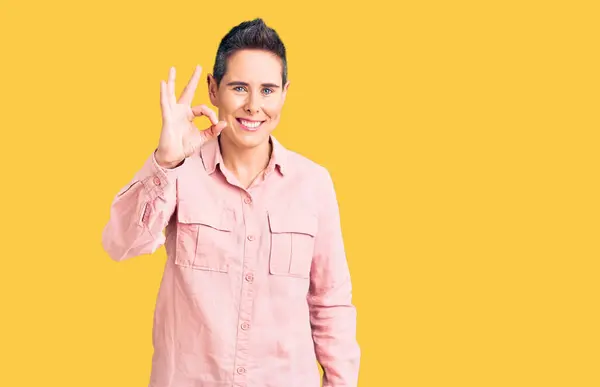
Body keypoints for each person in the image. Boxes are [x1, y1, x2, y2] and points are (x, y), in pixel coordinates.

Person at [101, 18, 360, 387]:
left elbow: (330, 302)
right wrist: (165, 161)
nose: (254, 106)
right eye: (239, 87)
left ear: (285, 93)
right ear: (213, 88)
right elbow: (119, 243)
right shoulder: (180, 171)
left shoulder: (313, 184)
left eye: (268, 90)